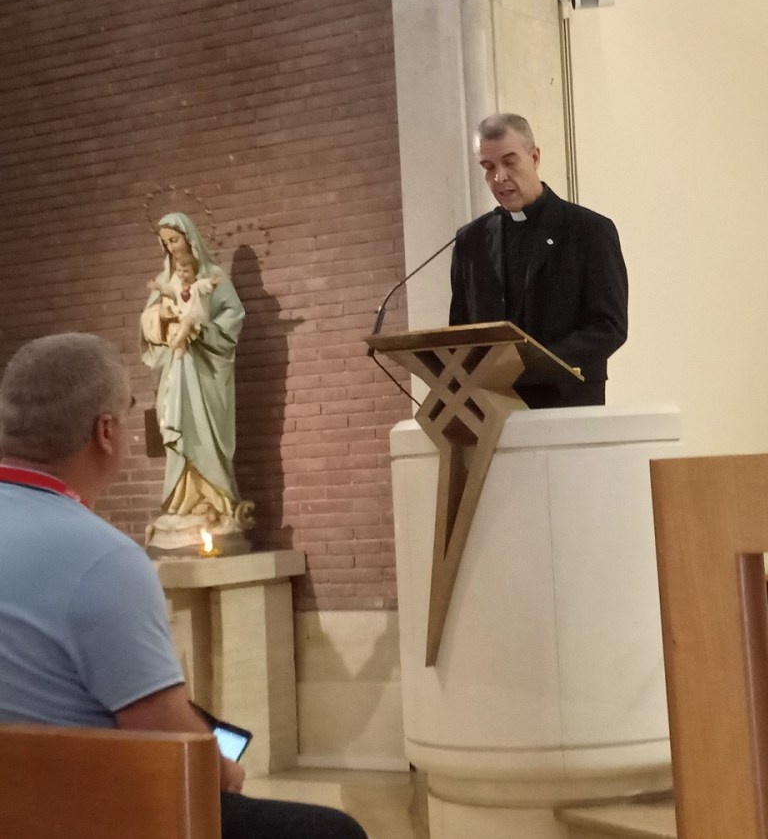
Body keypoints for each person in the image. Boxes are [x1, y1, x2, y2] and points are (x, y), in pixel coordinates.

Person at [0, 333, 367, 839]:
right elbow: (168, 741)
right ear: (106, 432)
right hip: (81, 813)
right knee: (333, 833)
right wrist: (222, 768)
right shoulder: (102, 559)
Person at [449, 113, 628, 408]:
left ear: (534, 157)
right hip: (491, 408)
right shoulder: (472, 241)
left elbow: (609, 327)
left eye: (509, 162)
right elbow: (460, 332)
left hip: (568, 402)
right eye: (488, 167)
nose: (499, 177)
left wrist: (532, 367)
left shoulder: (588, 231)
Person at [140, 212, 252, 554]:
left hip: (206, 374)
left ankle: (216, 502)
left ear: (190, 238)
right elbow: (148, 323)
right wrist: (162, 318)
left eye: (174, 240)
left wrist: (202, 329)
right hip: (176, 371)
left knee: (206, 433)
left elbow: (233, 317)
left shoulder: (214, 276)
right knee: (178, 431)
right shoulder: (166, 278)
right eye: (165, 242)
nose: (171, 248)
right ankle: (181, 503)